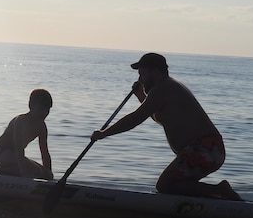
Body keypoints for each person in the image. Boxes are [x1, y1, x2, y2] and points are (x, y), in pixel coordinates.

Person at [91, 53, 243, 201]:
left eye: (142, 74)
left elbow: (136, 118)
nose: (140, 80)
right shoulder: (165, 88)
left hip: (205, 149)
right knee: (177, 185)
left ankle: (219, 192)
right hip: (208, 150)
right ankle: (216, 201)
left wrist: (104, 133)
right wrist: (141, 97)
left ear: (155, 72)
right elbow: (159, 117)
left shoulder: (164, 88)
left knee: (165, 184)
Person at [0, 88, 54, 180]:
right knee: (36, 171)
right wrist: (24, 175)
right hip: (2, 155)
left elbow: (44, 152)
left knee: (44, 173)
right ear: (31, 106)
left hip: (16, 158)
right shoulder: (20, 121)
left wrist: (48, 176)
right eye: (41, 109)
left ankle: (6, 172)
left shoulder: (42, 127)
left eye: (47, 110)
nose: (44, 113)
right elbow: (18, 149)